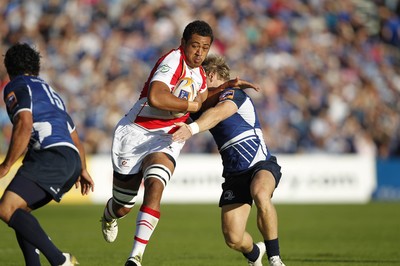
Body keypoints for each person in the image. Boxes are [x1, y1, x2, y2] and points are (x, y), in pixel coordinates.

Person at [100, 20, 214, 266]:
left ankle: (135, 257)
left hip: (166, 138)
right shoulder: (173, 61)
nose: (199, 53)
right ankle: (109, 215)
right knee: (123, 206)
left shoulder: (200, 73)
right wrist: (191, 106)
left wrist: (227, 88)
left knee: (155, 185)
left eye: (205, 48)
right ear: (183, 44)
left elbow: (204, 97)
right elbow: (156, 97)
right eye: (195, 46)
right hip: (136, 132)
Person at [172, 55, 286, 266]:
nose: (198, 84)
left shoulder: (234, 94)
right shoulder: (202, 105)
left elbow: (218, 114)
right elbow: (176, 117)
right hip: (234, 174)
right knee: (233, 238)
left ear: (212, 75)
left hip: (260, 164)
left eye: (201, 79)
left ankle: (275, 258)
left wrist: (191, 128)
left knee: (261, 194)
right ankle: (254, 254)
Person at [0, 43, 95, 265]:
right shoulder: (51, 92)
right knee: (19, 211)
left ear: (8, 67)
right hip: (70, 158)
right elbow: (75, 137)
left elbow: (24, 122)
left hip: (50, 155)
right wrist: (82, 169)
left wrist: (6, 165)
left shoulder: (16, 85)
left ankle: (60, 260)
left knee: (6, 208)